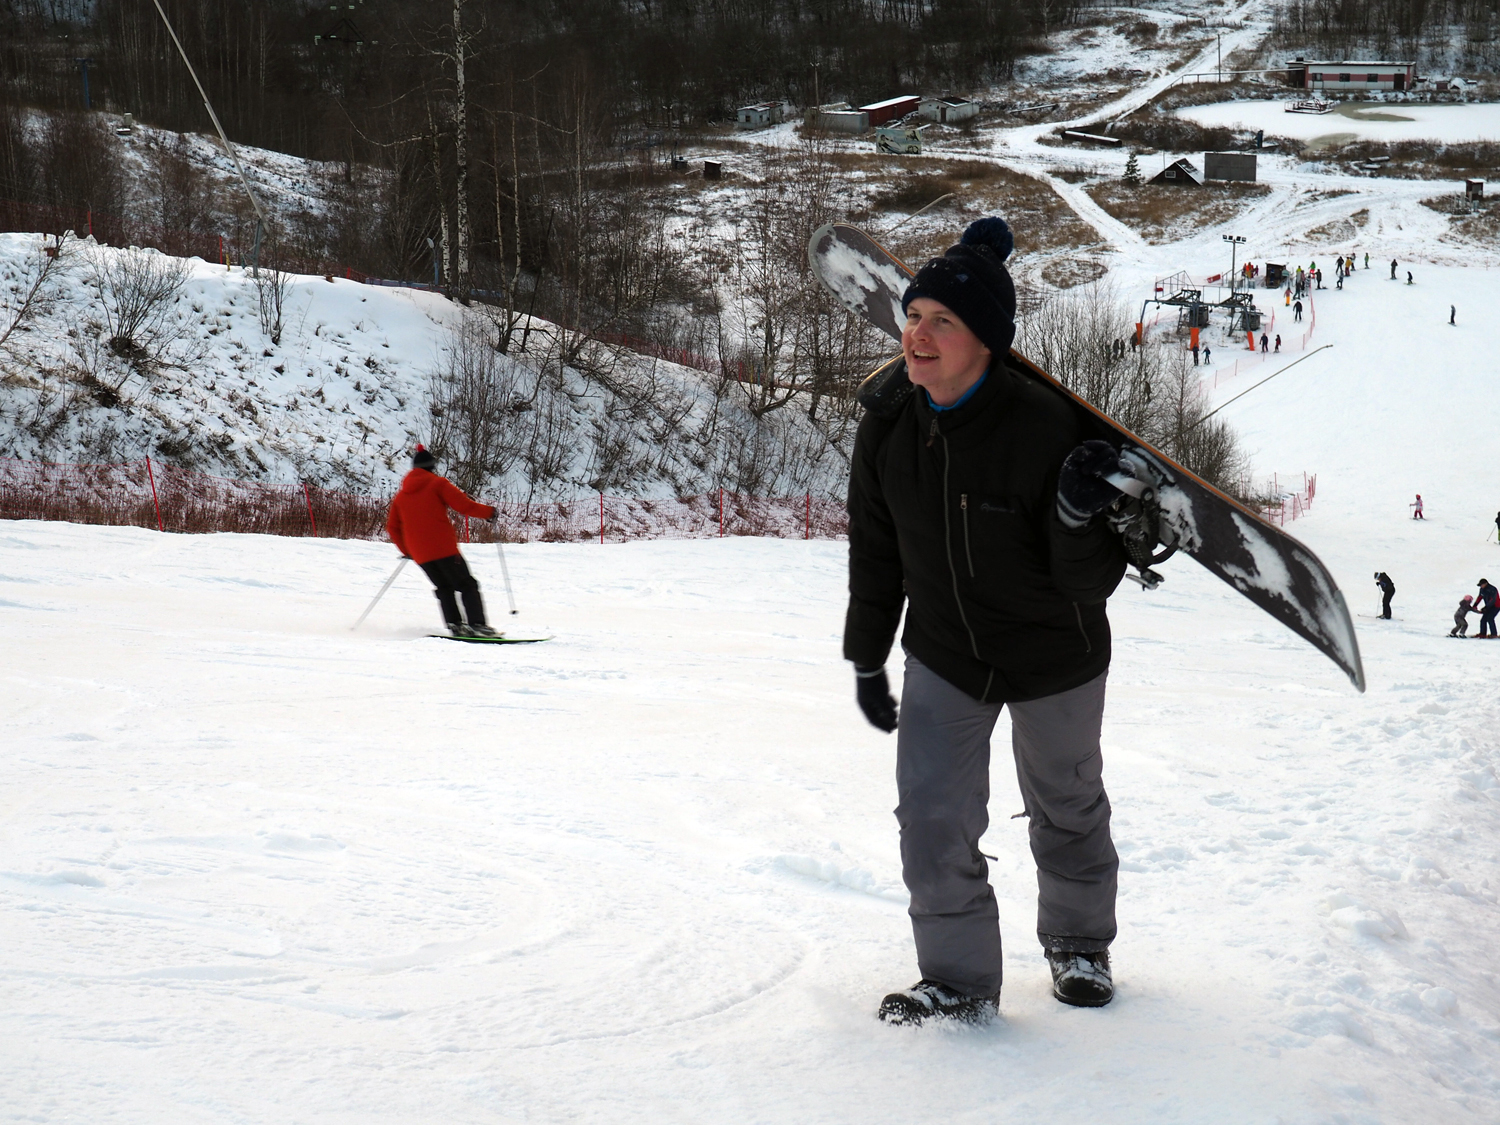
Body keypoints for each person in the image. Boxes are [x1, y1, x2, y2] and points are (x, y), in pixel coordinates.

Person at [845, 215, 1129, 1026]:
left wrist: (1080, 519)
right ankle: (959, 979)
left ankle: (1080, 944)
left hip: (1054, 654)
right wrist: (869, 656)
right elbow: (877, 551)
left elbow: (1087, 585)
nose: (918, 335)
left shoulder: (1044, 428)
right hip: (946, 650)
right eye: (913, 315)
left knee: (1067, 801)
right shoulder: (888, 426)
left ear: (987, 341)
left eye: (943, 321)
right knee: (931, 816)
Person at [386, 445, 500, 637]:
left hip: (420, 555)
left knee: (444, 587)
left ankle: (455, 624)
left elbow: (393, 527)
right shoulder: (438, 484)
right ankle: (478, 625)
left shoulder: (401, 496)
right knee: (467, 584)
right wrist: (488, 512)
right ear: (432, 467)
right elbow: (464, 505)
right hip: (444, 549)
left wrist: (407, 550)